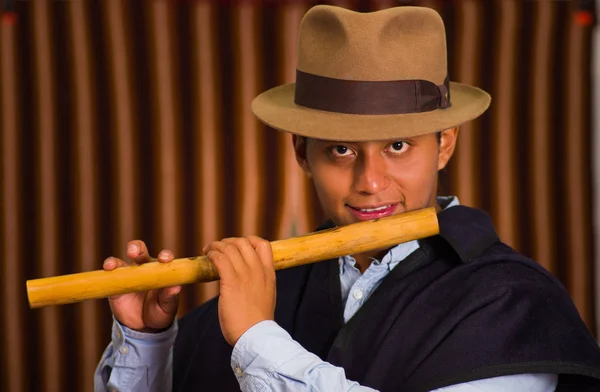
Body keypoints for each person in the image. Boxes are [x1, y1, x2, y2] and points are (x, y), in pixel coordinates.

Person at [94, 5, 600, 392]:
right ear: (302, 153)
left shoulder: (511, 299)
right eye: (340, 150)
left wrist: (256, 338)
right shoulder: (273, 284)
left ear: (444, 144)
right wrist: (146, 343)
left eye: (398, 146)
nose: (370, 181)